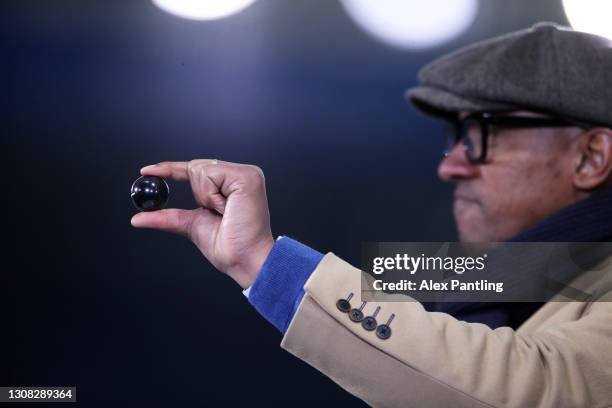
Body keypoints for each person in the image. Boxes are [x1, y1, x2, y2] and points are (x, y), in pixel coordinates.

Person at [131, 23, 612, 407]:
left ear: (591, 157)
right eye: (453, 140)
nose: (450, 166)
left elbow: (536, 388)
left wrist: (263, 261)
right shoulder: (495, 280)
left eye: (478, 136)